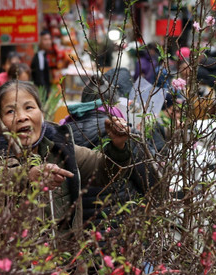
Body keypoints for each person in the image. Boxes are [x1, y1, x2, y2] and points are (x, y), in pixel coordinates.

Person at [0, 80, 131, 232]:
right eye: (10, 111)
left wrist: (118, 146)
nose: (22, 117)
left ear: (41, 113)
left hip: (62, 259)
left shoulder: (60, 148)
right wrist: (28, 176)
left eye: (29, 108)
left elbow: (106, 170)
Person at [63, 69, 159, 224]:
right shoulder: (124, 133)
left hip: (79, 227)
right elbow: (150, 184)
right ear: (115, 104)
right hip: (119, 223)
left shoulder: (64, 134)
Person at [31, 30, 56, 95]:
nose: (48, 42)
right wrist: (46, 92)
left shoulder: (44, 54)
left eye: (49, 39)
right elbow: (40, 78)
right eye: (45, 39)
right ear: (39, 41)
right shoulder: (40, 56)